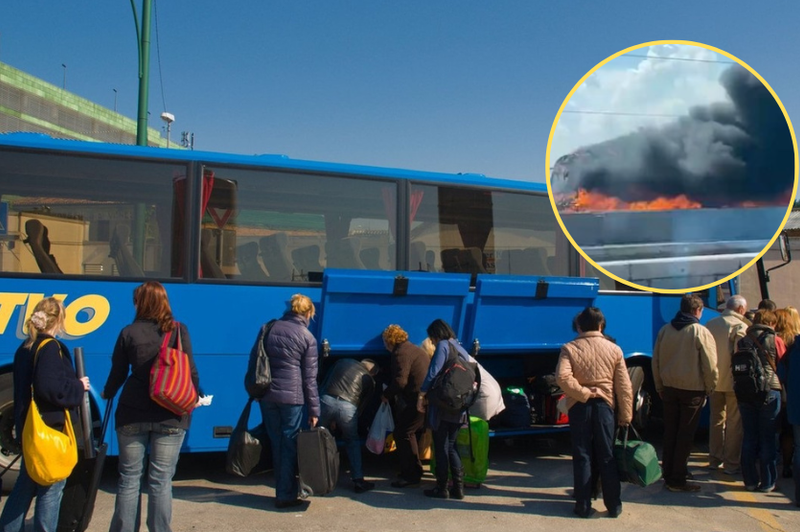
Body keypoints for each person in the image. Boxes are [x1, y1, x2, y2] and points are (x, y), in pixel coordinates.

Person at [102, 281, 201, 532]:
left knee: (129, 479)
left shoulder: (128, 332)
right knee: (160, 481)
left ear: (141, 303)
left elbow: (118, 372)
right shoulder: (179, 331)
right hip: (170, 413)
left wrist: (108, 392)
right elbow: (190, 371)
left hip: (132, 412)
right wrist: (196, 396)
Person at [0, 298, 89, 532]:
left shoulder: (25, 346)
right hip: (49, 428)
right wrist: (79, 386)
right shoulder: (50, 347)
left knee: (25, 486)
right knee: (51, 487)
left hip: (29, 427)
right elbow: (51, 389)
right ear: (58, 319)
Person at [556, 307, 633, 518]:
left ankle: (582, 505)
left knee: (582, 456)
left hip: (579, 406)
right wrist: (626, 415)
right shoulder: (614, 349)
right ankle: (614, 505)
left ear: (579, 326)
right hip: (605, 406)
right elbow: (624, 386)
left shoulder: (569, 348)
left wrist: (582, 392)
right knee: (606, 456)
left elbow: (562, 378)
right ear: (601, 325)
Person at [259, 293, 320, 509]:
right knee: (289, 445)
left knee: (277, 444)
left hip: (268, 395)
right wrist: (314, 410)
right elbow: (309, 380)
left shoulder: (270, 328)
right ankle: (286, 494)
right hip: (292, 398)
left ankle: (282, 490)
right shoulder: (307, 338)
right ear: (309, 312)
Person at [652, 293, 718, 492]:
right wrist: (710, 387)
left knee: (670, 433)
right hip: (693, 391)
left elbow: (656, 361)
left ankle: (669, 472)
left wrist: (659, 386)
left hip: (669, 389)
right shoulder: (700, 331)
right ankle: (678, 479)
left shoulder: (665, 330)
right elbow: (710, 365)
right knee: (685, 436)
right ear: (697, 310)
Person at [417, 319, 476, 500]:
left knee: (441, 447)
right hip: (459, 405)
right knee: (451, 445)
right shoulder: (460, 348)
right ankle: (458, 488)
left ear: (436, 335)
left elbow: (434, 372)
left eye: (432, 339)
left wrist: (422, 394)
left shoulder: (443, 345)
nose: (432, 343)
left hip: (443, 405)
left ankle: (441, 488)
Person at [738, 309, 784, 492]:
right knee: (767, 438)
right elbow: (782, 362)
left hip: (745, 392)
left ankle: (749, 480)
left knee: (749, 437)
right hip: (770, 391)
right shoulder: (775, 339)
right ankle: (768, 482)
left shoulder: (743, 340)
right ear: (771, 323)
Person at [318, 358, 379, 493]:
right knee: (352, 442)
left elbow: (325, 382)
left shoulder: (342, 362)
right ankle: (358, 480)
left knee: (320, 439)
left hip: (326, 401)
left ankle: (319, 477)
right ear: (372, 372)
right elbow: (362, 406)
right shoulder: (370, 380)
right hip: (348, 408)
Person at [705, 295, 749, 475]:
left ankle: (714, 458)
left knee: (716, 421)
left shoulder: (711, 324)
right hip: (733, 382)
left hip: (714, 381)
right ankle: (731, 463)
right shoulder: (741, 327)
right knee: (734, 423)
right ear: (740, 310)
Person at [381, 324, 430, 489]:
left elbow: (400, 381)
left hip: (416, 400)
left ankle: (411, 475)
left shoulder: (400, 353)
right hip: (424, 398)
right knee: (410, 433)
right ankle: (414, 470)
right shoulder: (413, 349)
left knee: (403, 433)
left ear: (390, 341)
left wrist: (386, 394)